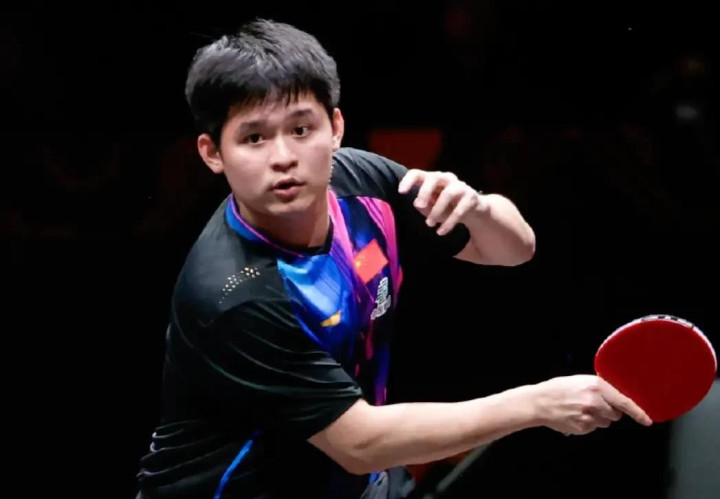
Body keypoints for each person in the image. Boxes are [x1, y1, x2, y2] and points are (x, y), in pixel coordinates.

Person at [135, 18, 652, 499]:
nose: (284, 157)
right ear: (212, 153)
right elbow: (359, 443)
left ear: (336, 127)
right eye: (254, 137)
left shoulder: (361, 183)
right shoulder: (235, 294)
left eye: (301, 129)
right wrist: (536, 405)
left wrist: (478, 207)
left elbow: (516, 250)